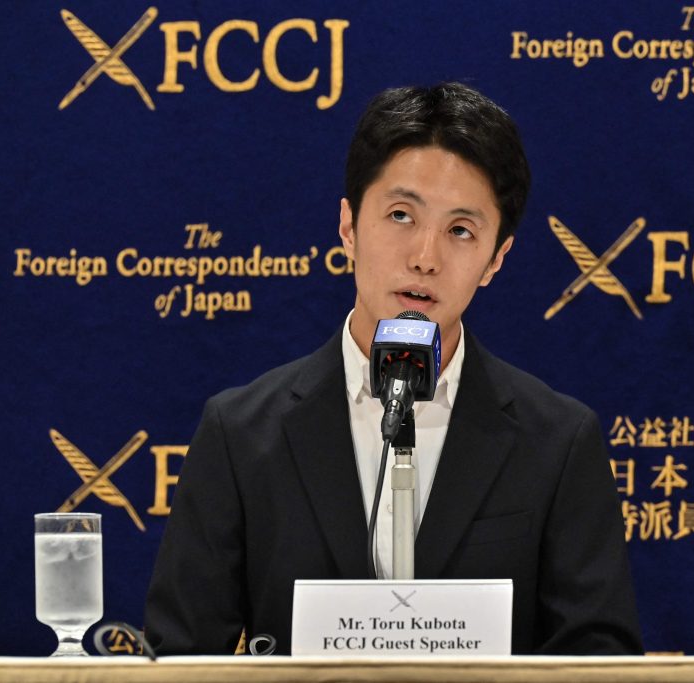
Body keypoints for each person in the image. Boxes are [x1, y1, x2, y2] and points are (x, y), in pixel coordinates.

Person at [144, 82, 642, 655]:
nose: (425, 257)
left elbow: (599, 659)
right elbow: (180, 656)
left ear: (496, 259)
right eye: (401, 215)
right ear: (349, 225)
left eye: (461, 230)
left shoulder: (557, 442)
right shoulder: (240, 433)